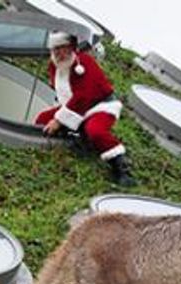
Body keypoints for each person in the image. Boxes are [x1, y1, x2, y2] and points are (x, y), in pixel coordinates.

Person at [35, 31, 136, 186]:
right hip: (72, 107)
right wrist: (58, 116)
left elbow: (84, 97)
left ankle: (121, 166)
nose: (60, 53)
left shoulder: (85, 63)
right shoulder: (54, 66)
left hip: (99, 106)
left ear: (72, 48)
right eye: (56, 49)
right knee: (43, 118)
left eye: (64, 48)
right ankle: (65, 141)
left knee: (96, 130)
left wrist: (58, 120)